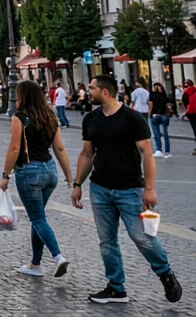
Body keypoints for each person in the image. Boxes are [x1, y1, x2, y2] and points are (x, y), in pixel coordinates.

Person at [70, 74, 182, 304]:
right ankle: (116, 288)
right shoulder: (90, 119)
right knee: (107, 241)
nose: (87, 91)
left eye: (91, 88)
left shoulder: (132, 118)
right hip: (100, 188)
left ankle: (166, 273)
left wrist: (148, 189)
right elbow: (87, 154)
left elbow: (147, 154)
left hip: (130, 189)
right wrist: (77, 184)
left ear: (105, 92)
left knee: (142, 238)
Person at [0, 80, 72, 278]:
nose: (15, 97)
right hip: (50, 171)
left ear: (24, 96)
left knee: (38, 218)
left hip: (30, 172)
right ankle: (35, 264)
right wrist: (69, 177)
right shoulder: (50, 116)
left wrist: (6, 175)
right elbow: (59, 149)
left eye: (17, 94)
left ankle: (58, 257)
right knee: (38, 217)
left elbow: (14, 148)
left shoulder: (19, 118)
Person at [150, 82, 172, 159]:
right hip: (164, 116)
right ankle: (167, 152)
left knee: (156, 135)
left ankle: (158, 150)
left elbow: (150, 102)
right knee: (166, 135)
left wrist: (149, 114)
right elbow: (168, 101)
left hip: (155, 115)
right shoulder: (164, 96)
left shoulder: (152, 95)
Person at [182, 80, 196, 156]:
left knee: (195, 129)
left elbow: (184, 101)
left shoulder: (186, 92)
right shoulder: (194, 89)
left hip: (191, 112)